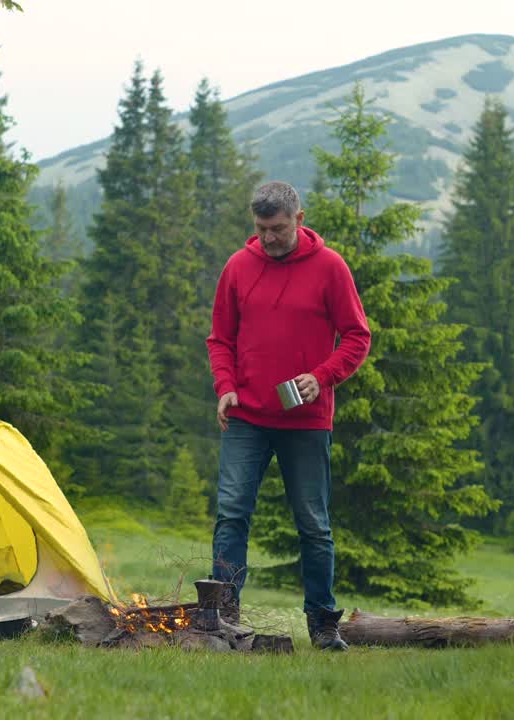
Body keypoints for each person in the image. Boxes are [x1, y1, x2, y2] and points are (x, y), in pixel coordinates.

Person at [205, 181, 371, 651]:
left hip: (307, 420)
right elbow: (220, 339)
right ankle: (223, 614)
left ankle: (322, 624)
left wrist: (324, 376)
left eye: (277, 229)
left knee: (314, 525)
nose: (269, 238)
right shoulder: (239, 266)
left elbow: (357, 337)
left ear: (299, 219)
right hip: (247, 418)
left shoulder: (330, 268)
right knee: (231, 514)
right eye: (261, 229)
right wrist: (225, 389)